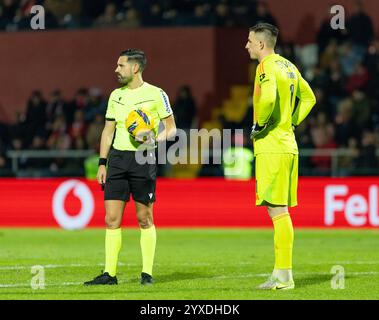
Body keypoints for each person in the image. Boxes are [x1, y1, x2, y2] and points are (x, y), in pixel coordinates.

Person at [84, 49, 176, 286]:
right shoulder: (116, 95)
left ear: (135, 68)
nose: (116, 70)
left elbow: (172, 128)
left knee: (144, 218)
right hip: (116, 160)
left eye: (120, 65)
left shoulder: (157, 94)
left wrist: (155, 140)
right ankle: (109, 274)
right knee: (111, 218)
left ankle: (146, 273)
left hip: (143, 158)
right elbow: (108, 131)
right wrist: (102, 163)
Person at [246, 23, 316, 290]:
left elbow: (268, 98)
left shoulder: (265, 66)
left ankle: (284, 276)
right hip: (288, 144)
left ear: (261, 44)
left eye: (250, 41)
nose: (247, 45)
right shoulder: (289, 66)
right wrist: (292, 122)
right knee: (280, 211)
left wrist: (261, 124)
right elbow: (309, 98)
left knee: (278, 213)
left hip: (272, 145)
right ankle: (280, 272)